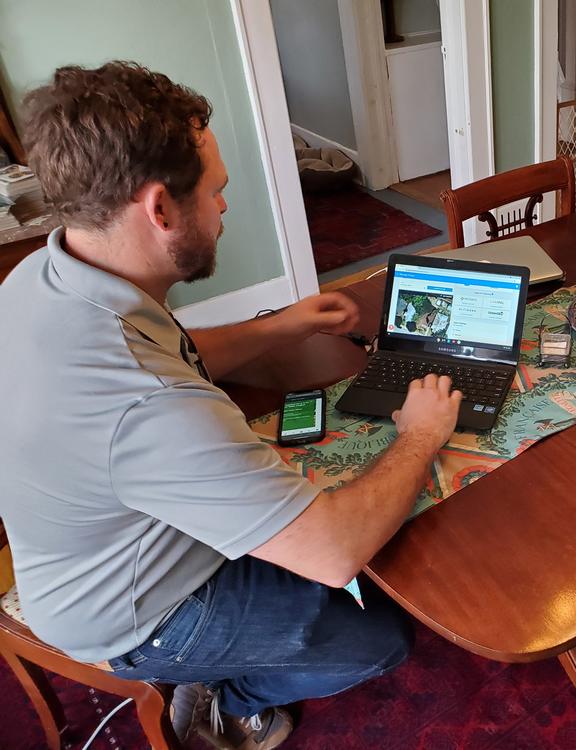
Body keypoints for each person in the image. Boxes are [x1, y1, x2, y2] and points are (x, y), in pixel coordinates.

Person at [0, 62, 462, 749]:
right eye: (216, 192)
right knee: (377, 639)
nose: (223, 207)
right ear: (159, 209)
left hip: (91, 544)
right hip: (138, 614)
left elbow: (168, 354)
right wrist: (420, 436)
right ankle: (226, 698)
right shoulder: (151, 406)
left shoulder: (45, 272)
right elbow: (335, 552)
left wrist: (284, 324)